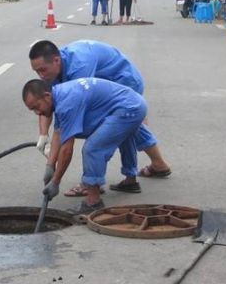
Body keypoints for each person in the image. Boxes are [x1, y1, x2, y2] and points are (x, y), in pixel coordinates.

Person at [29, 39, 171, 197]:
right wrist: (43, 135)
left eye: (42, 70)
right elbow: (49, 105)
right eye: (36, 72)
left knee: (117, 129)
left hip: (124, 80)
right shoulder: (52, 66)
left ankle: (91, 184)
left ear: (56, 61)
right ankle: (146, 170)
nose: (40, 76)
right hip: (110, 91)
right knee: (125, 126)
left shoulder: (80, 66)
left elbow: (67, 114)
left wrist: (56, 179)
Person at [23, 78, 153, 214]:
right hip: (132, 103)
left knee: (92, 149)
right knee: (124, 135)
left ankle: (93, 201)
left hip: (129, 108)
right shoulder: (60, 95)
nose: (37, 113)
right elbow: (58, 132)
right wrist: (50, 165)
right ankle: (130, 181)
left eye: (36, 107)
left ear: (47, 96)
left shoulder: (67, 103)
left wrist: (56, 181)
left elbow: (66, 149)